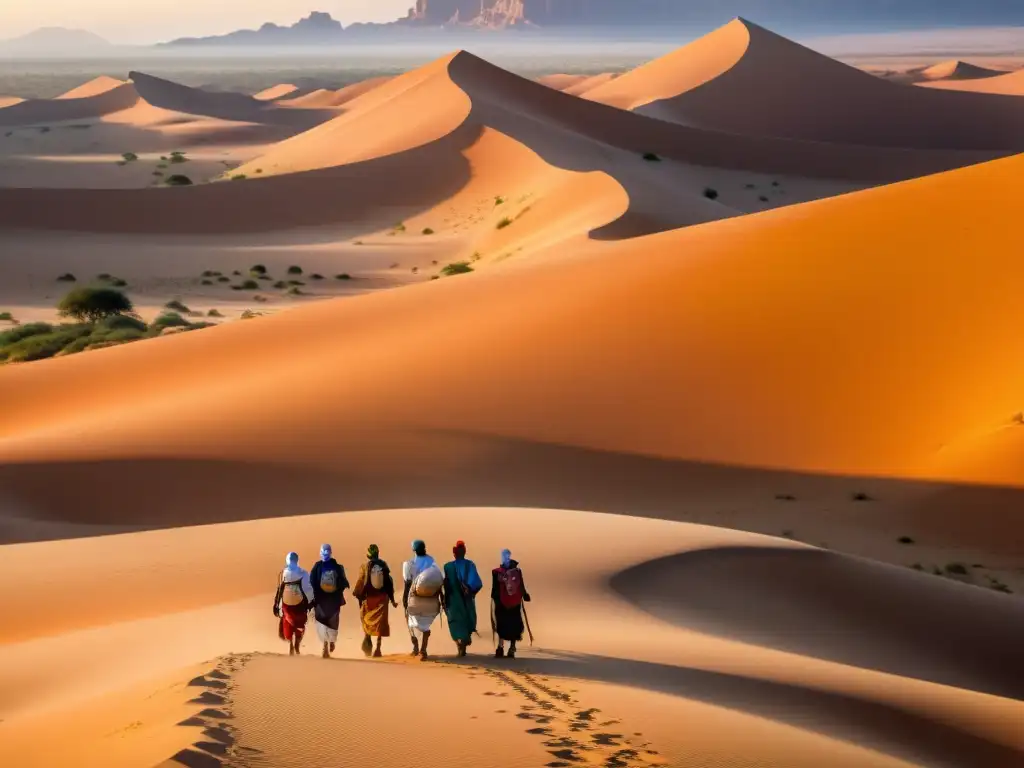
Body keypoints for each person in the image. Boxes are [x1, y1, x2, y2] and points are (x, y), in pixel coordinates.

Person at [351, 543, 398, 657]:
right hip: (382, 599)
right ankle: (378, 649)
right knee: (381, 625)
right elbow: (388, 583)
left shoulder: (364, 566)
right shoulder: (384, 565)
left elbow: (361, 582)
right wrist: (392, 600)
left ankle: (367, 640)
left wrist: (357, 594)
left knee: (366, 621)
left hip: (369, 599)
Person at [403, 539, 443, 660]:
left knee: (409, 620)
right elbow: (438, 579)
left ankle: (415, 647)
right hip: (431, 598)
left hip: (414, 598)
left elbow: (407, 583)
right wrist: (441, 598)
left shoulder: (409, 564)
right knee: (426, 624)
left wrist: (405, 600)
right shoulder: (432, 561)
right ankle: (423, 650)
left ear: (414, 550)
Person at [442, 540, 483, 657]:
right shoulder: (470, 565)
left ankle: (459, 642)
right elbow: (477, 583)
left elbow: (445, 584)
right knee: (468, 619)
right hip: (466, 599)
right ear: (464, 552)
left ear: (454, 554)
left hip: (453, 600)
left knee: (455, 621)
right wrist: (470, 592)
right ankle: (464, 641)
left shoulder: (447, 566)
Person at [309, 543, 349, 659]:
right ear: (330, 553)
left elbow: (311, 582)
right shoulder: (337, 566)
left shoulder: (317, 566)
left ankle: (325, 645)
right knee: (333, 623)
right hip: (334, 601)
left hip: (321, 601)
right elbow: (344, 583)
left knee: (322, 623)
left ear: (321, 553)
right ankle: (331, 641)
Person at [273, 551, 315, 656]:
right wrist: (311, 602)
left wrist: (276, 604)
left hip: (286, 605)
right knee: (300, 623)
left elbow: (279, 590)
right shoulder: (303, 573)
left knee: (287, 621)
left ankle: (291, 643)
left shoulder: (282, 573)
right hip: (299, 604)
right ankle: (296, 645)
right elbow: (308, 589)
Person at [492, 548, 530, 659]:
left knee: (503, 624)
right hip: (514, 602)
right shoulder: (516, 571)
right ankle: (510, 648)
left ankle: (502, 647)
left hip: (502, 603)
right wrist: (525, 595)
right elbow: (521, 586)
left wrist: (494, 599)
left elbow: (495, 589)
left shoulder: (497, 572)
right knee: (513, 623)